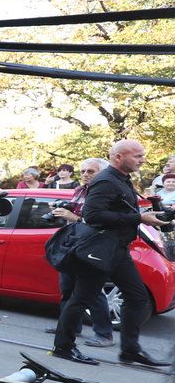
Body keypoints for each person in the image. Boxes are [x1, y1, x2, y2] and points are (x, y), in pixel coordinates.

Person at [51, 140, 170, 367]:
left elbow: (119, 210)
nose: (142, 160)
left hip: (117, 250)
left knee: (137, 297)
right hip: (100, 250)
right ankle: (63, 347)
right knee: (80, 299)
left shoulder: (121, 179)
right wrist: (139, 218)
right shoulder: (105, 180)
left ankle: (130, 350)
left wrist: (147, 215)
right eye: (137, 156)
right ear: (118, 157)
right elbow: (93, 216)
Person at [45, 158, 115, 355]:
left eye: (90, 171)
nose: (85, 174)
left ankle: (105, 334)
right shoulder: (79, 190)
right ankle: (68, 327)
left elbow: (101, 223)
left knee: (93, 293)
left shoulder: (107, 194)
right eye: (83, 171)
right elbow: (75, 213)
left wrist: (72, 217)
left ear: (103, 173)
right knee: (67, 289)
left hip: (91, 248)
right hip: (72, 246)